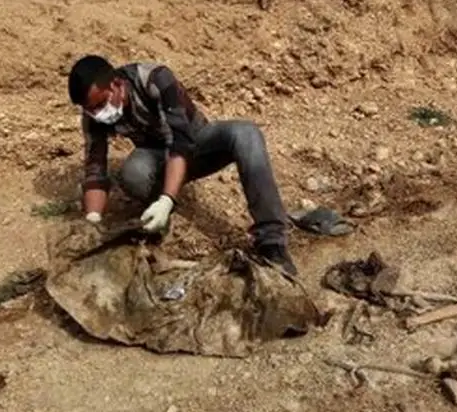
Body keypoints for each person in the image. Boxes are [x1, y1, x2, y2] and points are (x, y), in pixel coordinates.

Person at [66, 55, 296, 274]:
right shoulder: (94, 116)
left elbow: (180, 141)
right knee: (133, 173)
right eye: (90, 109)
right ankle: (158, 219)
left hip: (197, 143)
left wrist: (167, 199)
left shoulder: (154, 79)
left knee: (246, 134)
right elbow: (95, 168)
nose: (98, 113)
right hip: (157, 155)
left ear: (116, 84)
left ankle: (272, 242)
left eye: (100, 104)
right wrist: (92, 220)